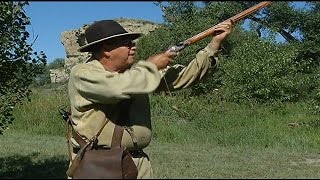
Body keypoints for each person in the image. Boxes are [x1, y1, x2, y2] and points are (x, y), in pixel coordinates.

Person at [67, 19, 233, 178]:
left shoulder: (137, 73)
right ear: (106, 50)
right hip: (99, 163)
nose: (133, 46)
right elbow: (116, 88)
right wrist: (152, 66)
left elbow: (183, 77)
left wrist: (214, 45)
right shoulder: (83, 73)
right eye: (127, 43)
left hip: (136, 161)